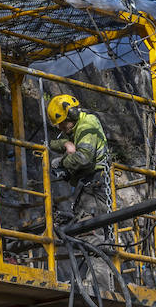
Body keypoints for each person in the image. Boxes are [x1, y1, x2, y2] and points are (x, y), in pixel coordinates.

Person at [46, 93, 114, 244]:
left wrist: (62, 162)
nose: (60, 127)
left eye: (62, 123)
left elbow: (83, 158)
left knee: (90, 232)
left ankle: (101, 262)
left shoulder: (86, 126)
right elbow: (58, 142)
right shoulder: (76, 127)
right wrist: (64, 145)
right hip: (90, 183)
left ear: (71, 115)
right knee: (84, 229)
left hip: (96, 183)